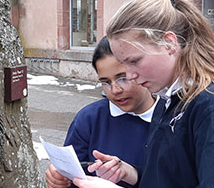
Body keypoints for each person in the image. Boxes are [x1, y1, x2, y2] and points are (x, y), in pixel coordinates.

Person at [73, 0, 214, 188]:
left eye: (134, 61)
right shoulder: (170, 99)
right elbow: (171, 178)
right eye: (124, 64)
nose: (130, 75)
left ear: (169, 43)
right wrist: (131, 173)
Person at [45, 37, 160, 188]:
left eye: (122, 78)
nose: (115, 90)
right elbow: (71, 176)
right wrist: (59, 179)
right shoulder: (88, 119)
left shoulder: (175, 118)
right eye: (105, 82)